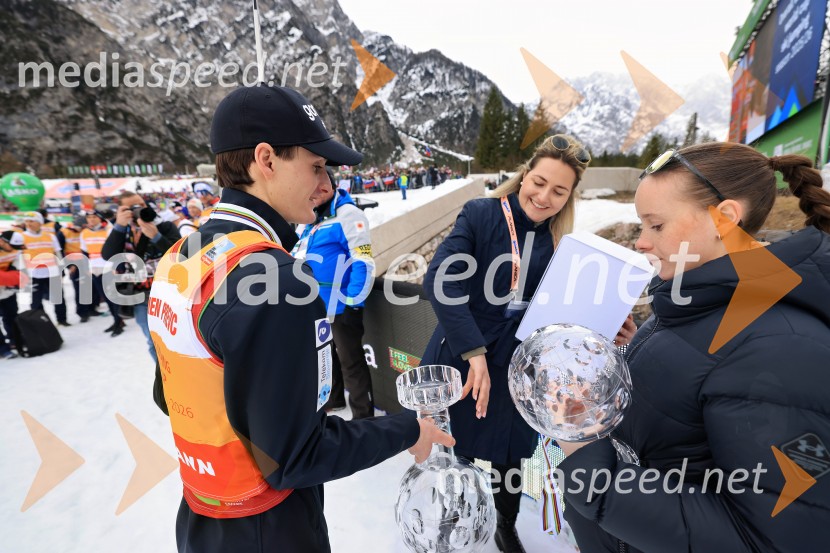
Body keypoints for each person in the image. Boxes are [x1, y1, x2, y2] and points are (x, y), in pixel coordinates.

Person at [149, 84, 453, 553]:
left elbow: (168, 395)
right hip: (269, 526)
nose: (326, 185)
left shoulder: (182, 253)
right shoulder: (279, 279)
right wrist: (408, 429)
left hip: (201, 513)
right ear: (266, 160)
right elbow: (296, 457)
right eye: (315, 166)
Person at [556, 143, 830, 552]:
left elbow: (762, 540)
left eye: (656, 225)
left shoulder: (784, 349)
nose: (641, 243)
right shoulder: (694, 298)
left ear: (725, 219)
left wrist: (590, 465)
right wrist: (630, 352)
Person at [421, 134, 635, 553]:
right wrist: (474, 353)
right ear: (524, 176)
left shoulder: (562, 242)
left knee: (512, 453)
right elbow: (442, 281)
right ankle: (452, 520)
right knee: (455, 447)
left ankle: (505, 524)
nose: (544, 196)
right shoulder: (480, 213)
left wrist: (608, 330)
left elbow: (565, 314)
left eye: (559, 191)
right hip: (466, 350)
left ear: (569, 197)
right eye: (539, 182)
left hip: (519, 364)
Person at [293, 171, 376, 418]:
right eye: (311, 185)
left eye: (323, 184)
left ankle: (363, 417)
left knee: (351, 362)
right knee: (326, 358)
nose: (317, 190)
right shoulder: (309, 218)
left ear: (333, 184)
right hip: (316, 305)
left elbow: (363, 262)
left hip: (341, 306)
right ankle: (335, 399)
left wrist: (353, 302)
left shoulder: (349, 214)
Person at [101, 192, 180, 361]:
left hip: (170, 293)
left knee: (179, 340)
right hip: (141, 297)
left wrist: (156, 237)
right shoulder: (122, 231)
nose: (138, 209)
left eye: (141, 205)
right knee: (153, 342)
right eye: (131, 207)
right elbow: (108, 255)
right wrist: (119, 225)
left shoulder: (165, 226)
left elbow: (180, 256)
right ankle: (163, 375)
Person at [20, 211, 69, 326]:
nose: (28, 224)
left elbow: (58, 253)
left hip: (52, 272)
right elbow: (19, 257)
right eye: (26, 221)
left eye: (32, 221)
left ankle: (62, 320)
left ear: (40, 222)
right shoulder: (21, 237)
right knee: (36, 302)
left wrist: (61, 270)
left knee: (58, 298)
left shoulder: (50, 236)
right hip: (33, 275)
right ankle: (41, 323)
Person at [81, 210, 123, 336]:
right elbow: (85, 253)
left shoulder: (109, 230)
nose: (91, 219)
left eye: (94, 217)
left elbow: (117, 249)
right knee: (105, 297)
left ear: (100, 218)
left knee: (113, 297)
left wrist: (116, 266)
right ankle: (116, 320)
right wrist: (86, 268)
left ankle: (119, 322)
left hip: (109, 268)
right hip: (95, 269)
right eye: (89, 217)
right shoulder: (84, 233)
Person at [0, 230, 23, 358]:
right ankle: (2, 348)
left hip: (7, 290)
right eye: (12, 246)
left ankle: (15, 340)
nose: (14, 249)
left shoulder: (16, 250)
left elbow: (18, 271)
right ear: (2, 241)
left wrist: (12, 279)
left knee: (11, 315)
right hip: (5, 285)